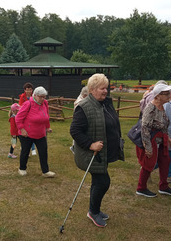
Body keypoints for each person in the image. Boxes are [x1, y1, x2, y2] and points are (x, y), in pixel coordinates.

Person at [70, 73, 124, 228]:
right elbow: (75, 131)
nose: (105, 91)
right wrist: (90, 144)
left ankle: (95, 210)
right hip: (93, 154)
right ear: (92, 89)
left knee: (99, 181)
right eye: (102, 88)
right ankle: (93, 212)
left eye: (106, 88)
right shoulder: (84, 107)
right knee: (103, 182)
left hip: (104, 153)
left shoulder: (105, 103)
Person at [135, 83, 171, 198]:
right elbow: (145, 129)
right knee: (148, 163)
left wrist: (167, 136)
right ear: (158, 95)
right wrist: (148, 147)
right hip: (151, 139)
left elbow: (163, 124)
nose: (169, 96)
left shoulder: (162, 106)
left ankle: (164, 187)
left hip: (160, 139)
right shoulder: (150, 108)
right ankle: (141, 188)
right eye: (166, 94)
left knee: (165, 160)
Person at [15, 86, 55, 178]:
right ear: (35, 95)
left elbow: (46, 116)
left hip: (40, 133)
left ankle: (45, 171)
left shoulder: (45, 103)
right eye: (40, 96)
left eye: (44, 96)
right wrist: (22, 129)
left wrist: (48, 127)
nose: (42, 98)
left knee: (43, 152)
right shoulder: (28, 104)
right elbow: (18, 118)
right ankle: (22, 169)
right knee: (25, 151)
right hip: (27, 133)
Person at [18, 82, 37, 156]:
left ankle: (32, 148)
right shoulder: (22, 97)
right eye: (27, 90)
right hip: (25, 117)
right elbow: (20, 107)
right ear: (24, 90)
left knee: (32, 132)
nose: (29, 91)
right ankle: (28, 149)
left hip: (32, 117)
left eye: (30, 89)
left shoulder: (34, 97)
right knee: (25, 134)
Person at [70, 86, 89, 154]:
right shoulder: (80, 102)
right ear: (85, 95)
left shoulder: (82, 98)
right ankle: (75, 148)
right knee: (78, 135)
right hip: (80, 120)